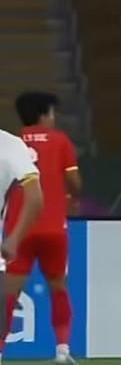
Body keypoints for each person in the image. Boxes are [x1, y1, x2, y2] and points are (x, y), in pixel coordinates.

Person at [3, 93, 73, 364]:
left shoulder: (12, 142)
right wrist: (71, 192)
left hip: (19, 230)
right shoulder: (60, 141)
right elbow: (74, 180)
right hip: (53, 227)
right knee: (58, 287)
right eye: (52, 113)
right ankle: (62, 350)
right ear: (44, 115)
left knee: (8, 294)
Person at [0, 128, 46, 365]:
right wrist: (14, 239)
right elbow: (35, 197)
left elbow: (35, 197)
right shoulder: (10, 144)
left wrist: (14, 238)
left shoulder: (9, 145)